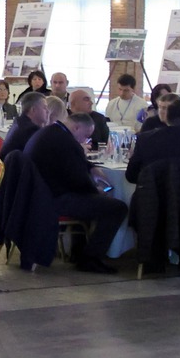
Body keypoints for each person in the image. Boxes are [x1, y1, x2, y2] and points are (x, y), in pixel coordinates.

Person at [28, 110, 124, 272]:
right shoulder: (66, 141)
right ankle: (90, 258)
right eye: (86, 136)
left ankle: (78, 251)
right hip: (54, 199)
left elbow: (71, 164)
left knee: (95, 202)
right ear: (76, 128)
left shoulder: (51, 132)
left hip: (39, 195)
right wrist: (97, 190)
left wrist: (91, 167)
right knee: (117, 208)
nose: (85, 141)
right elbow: (78, 181)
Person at [2, 90, 49, 156]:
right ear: (33, 110)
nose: (48, 111)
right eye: (45, 107)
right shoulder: (30, 130)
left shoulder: (19, 122)